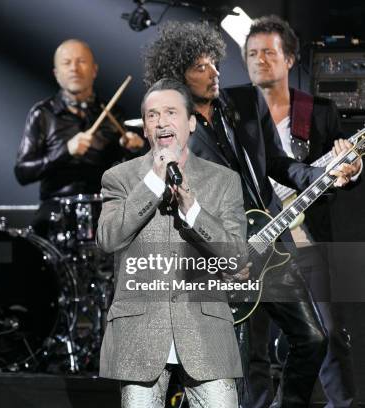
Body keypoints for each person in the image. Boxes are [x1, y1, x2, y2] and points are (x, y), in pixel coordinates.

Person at [143, 21, 361, 407]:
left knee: (314, 340)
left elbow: (276, 162)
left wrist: (324, 175)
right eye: (200, 67)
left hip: (271, 244)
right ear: (177, 76)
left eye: (214, 63)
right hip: (222, 260)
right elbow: (174, 206)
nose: (214, 73)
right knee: (248, 364)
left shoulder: (243, 103)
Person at [97, 78, 247, 407]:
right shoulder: (119, 178)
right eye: (152, 115)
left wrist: (193, 211)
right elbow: (107, 239)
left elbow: (236, 258)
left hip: (205, 330)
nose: (161, 122)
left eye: (170, 112)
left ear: (191, 122)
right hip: (140, 333)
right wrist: (152, 182)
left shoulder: (224, 180)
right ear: (145, 128)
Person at [245, 15, 358, 407]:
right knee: (252, 348)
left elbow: (342, 170)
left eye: (269, 52)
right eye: (252, 53)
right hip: (256, 247)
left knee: (329, 336)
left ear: (290, 59)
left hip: (306, 241)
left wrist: (352, 168)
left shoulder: (319, 111)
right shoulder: (235, 116)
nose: (260, 60)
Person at [14, 38, 144, 236]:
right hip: (56, 209)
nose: (74, 68)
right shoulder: (42, 114)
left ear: (94, 70)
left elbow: (129, 176)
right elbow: (23, 173)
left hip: (106, 208)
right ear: (56, 74)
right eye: (67, 63)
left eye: (81, 61)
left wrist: (134, 151)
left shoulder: (114, 114)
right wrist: (65, 151)